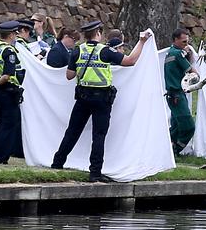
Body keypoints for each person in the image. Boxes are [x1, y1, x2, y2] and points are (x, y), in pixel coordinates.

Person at [51, 20, 151, 182]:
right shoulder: (105, 51)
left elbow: (69, 76)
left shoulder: (78, 50)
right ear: (98, 32)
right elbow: (130, 61)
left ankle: (57, 163)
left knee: (72, 131)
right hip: (101, 99)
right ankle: (95, 172)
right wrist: (142, 41)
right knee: (99, 135)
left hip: (82, 97)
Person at [0, 20, 26, 164]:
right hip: (8, 90)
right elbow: (7, 75)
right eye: (15, 34)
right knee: (9, 125)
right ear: (10, 35)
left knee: (1, 123)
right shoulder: (8, 51)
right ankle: (2, 157)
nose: (16, 36)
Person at [164, 28, 198, 155]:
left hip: (173, 95)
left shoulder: (170, 52)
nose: (186, 45)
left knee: (176, 127)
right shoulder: (178, 54)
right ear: (175, 40)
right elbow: (192, 72)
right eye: (184, 42)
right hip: (177, 95)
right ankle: (175, 150)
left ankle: (166, 149)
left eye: (187, 42)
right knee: (189, 126)